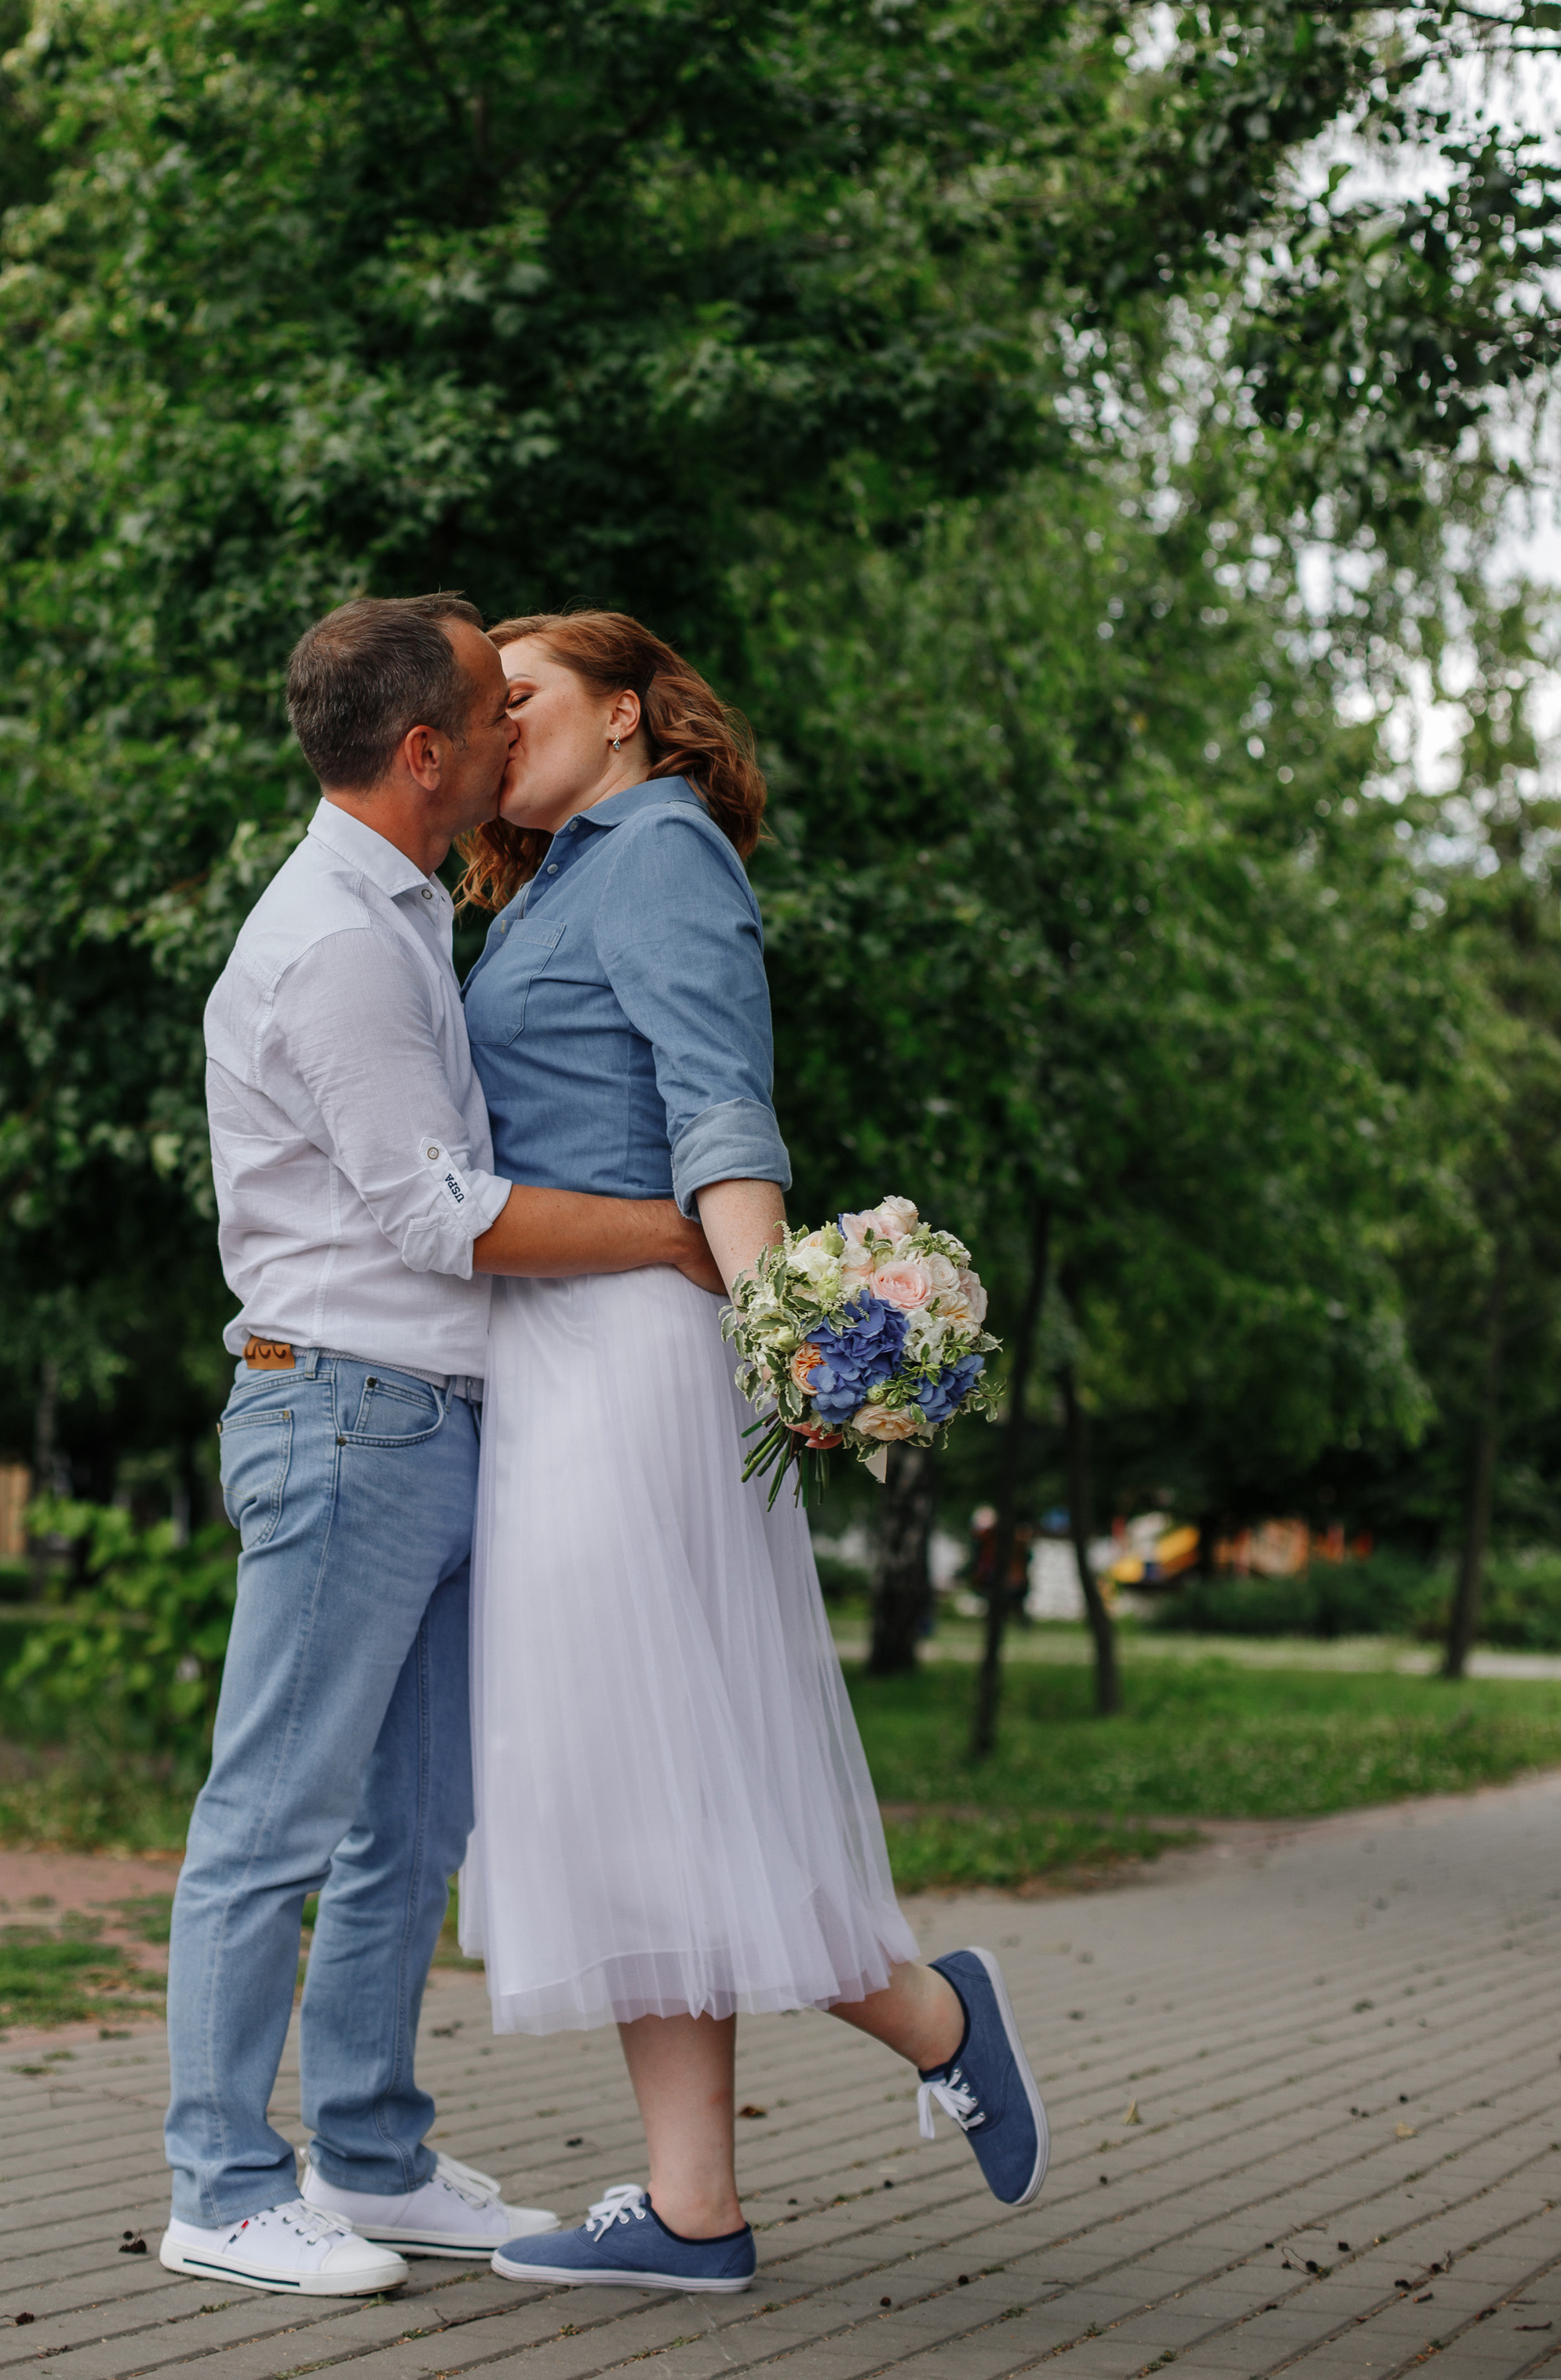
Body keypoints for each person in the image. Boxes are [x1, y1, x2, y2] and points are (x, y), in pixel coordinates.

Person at [455, 611, 1049, 2296]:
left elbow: (719, 1104)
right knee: (625, 1783)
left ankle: (934, 2013)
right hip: (557, 1356)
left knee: (657, 1772)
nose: (493, 730)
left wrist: (776, 1324)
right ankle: (693, 2208)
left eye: (522, 700)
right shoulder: (563, 871)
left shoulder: (655, 855)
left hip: (634, 1366)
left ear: (627, 713)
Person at [162, 593, 724, 2301]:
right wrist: (666, 1237)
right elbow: (437, 1212)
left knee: (408, 1831)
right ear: (426, 755)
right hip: (343, 1410)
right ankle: (222, 2182)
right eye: (492, 713)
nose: (513, 735)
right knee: (274, 1813)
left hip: (423, 1420)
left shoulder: (403, 906)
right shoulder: (334, 936)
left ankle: (374, 2156)